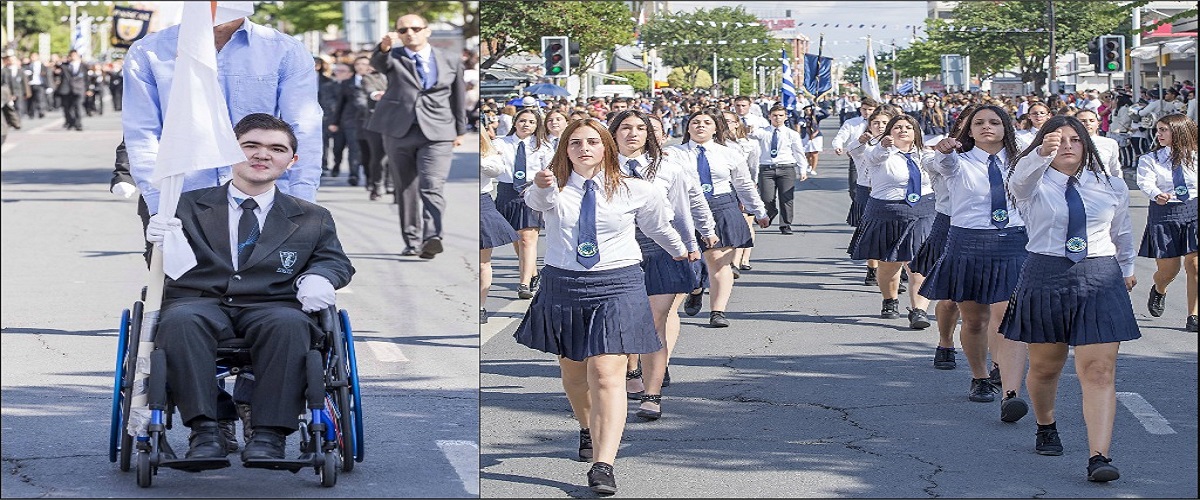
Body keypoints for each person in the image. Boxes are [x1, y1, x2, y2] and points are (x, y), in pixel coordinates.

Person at [144, 113, 355, 465]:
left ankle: (269, 435)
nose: (263, 155)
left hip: (273, 304)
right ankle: (206, 431)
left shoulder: (310, 216)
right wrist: (160, 241)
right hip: (201, 301)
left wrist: (317, 277)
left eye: (276, 148)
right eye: (251, 146)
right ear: (230, 152)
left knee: (290, 326)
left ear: (291, 161)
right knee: (180, 322)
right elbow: (164, 264)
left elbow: (334, 261)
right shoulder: (185, 205)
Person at [513, 118, 687, 495]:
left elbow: (658, 226)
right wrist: (542, 185)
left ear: (606, 147)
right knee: (575, 374)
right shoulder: (554, 187)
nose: (584, 148)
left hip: (618, 284)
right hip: (565, 285)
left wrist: (680, 251)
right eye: (575, 143)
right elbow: (537, 202)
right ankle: (587, 426)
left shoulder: (636, 190)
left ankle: (603, 464)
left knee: (607, 374)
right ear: (565, 150)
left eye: (593, 141)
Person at [1001, 115, 1139, 482]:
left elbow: (1121, 231)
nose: (1066, 145)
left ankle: (1099, 456)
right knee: (1046, 367)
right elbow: (1019, 179)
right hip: (1046, 273)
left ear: (1087, 145)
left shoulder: (1110, 185)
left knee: (1098, 370)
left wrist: (1126, 269)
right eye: (1055, 140)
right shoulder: (1032, 183)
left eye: (1074, 139)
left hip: (1099, 274)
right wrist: (1038, 156)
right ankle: (1046, 424)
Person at [123, 10, 323, 219]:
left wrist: (302, 204)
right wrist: (158, 207)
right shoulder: (149, 51)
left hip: (264, 200)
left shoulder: (285, 51)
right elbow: (142, 133)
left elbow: (304, 127)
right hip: (178, 200)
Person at [610, 109, 715, 420]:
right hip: (618, 250)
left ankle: (652, 394)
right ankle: (626, 375)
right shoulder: (601, 167)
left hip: (661, 250)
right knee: (622, 320)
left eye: (640, 128)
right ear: (613, 133)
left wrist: (691, 246)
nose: (633, 134)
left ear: (649, 134)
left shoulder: (668, 167)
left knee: (655, 321)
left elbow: (682, 211)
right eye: (625, 128)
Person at [927, 105, 1032, 412]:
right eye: (980, 123)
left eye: (995, 122)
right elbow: (942, 163)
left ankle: (1010, 390)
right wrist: (944, 149)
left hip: (1012, 242)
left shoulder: (1021, 162)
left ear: (1006, 128)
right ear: (969, 130)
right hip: (968, 244)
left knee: (1005, 316)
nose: (987, 127)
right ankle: (980, 376)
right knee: (975, 320)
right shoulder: (958, 161)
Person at [366, 13, 468, 260]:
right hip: (398, 130)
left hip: (438, 131)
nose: (409, 33)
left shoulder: (450, 59)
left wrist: (460, 130)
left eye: (415, 28)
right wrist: (383, 48)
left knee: (432, 185)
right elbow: (378, 64)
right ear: (397, 34)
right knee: (406, 188)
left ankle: (432, 237)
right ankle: (412, 240)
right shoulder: (394, 57)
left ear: (427, 30)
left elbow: (458, 96)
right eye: (403, 30)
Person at [673, 108, 769, 327]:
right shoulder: (675, 154)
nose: (701, 126)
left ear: (716, 128)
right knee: (689, 261)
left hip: (721, 206)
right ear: (688, 127)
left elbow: (744, 184)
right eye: (695, 122)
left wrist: (759, 211)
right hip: (686, 209)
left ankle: (717, 311)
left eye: (707, 122)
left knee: (718, 260)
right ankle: (697, 288)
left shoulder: (729, 153)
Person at [851, 114, 937, 324]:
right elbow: (873, 157)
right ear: (889, 132)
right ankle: (890, 300)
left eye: (908, 127)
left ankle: (919, 310)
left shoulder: (924, 154)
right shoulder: (878, 152)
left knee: (918, 261)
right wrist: (883, 145)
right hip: (886, 211)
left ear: (916, 132)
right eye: (897, 127)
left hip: (922, 210)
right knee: (889, 263)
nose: (903, 130)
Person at [1136, 114, 1198, 331]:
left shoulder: (1196, 156)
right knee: (1168, 271)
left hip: (1194, 209)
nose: (1159, 134)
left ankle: (1194, 315)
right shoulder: (1150, 159)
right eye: (1158, 130)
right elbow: (1144, 181)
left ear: (1179, 132)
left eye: (1164, 130)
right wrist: (1155, 193)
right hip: (1165, 213)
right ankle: (1159, 288)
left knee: (1195, 265)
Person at [493, 108, 553, 298]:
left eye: (531, 122)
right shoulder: (500, 142)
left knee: (528, 238)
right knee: (516, 238)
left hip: (530, 191)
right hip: (507, 191)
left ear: (537, 126)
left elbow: (550, 171)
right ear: (515, 123)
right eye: (522, 120)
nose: (526, 124)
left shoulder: (542, 146)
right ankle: (532, 272)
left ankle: (524, 284)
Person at [848, 106, 903, 288]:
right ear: (869, 125)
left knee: (896, 235)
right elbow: (853, 150)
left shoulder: (899, 145)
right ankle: (872, 267)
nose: (880, 126)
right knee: (872, 234)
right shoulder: (865, 145)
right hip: (868, 191)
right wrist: (861, 140)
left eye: (884, 123)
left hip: (892, 195)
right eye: (876, 123)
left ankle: (895, 272)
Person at [748, 105, 809, 235]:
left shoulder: (791, 134)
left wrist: (803, 169)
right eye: (775, 115)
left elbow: (798, 152)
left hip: (786, 168)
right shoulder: (763, 132)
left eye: (781, 115)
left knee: (786, 198)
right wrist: (748, 128)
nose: (777, 118)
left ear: (785, 117)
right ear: (769, 116)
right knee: (766, 197)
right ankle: (771, 211)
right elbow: (748, 134)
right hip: (767, 169)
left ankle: (785, 224)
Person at [480, 133, 519, 324]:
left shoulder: (490, 154)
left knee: (482, 263)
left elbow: (496, 170)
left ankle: (480, 306)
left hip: (482, 204)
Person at [833, 97, 880, 202]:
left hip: (876, 158)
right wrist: (838, 146)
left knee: (875, 188)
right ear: (860, 109)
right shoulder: (851, 123)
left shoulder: (880, 124)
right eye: (864, 109)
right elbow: (841, 136)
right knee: (854, 189)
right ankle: (858, 210)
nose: (867, 112)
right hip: (857, 158)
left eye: (870, 109)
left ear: (875, 110)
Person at [1075, 109, 1121, 177]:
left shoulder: (1110, 143)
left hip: (1104, 184)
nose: (1088, 123)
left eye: (1092, 121)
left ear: (1098, 123)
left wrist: (1120, 184)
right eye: (1083, 121)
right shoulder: (1069, 144)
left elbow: (1115, 169)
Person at [54, 50, 87, 131]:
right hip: (66, 90)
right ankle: (70, 122)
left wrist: (88, 89)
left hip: (79, 89)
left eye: (75, 55)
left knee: (78, 107)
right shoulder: (65, 66)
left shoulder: (84, 66)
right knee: (67, 108)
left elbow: (87, 79)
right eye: (72, 55)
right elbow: (56, 69)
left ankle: (78, 124)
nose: (73, 57)